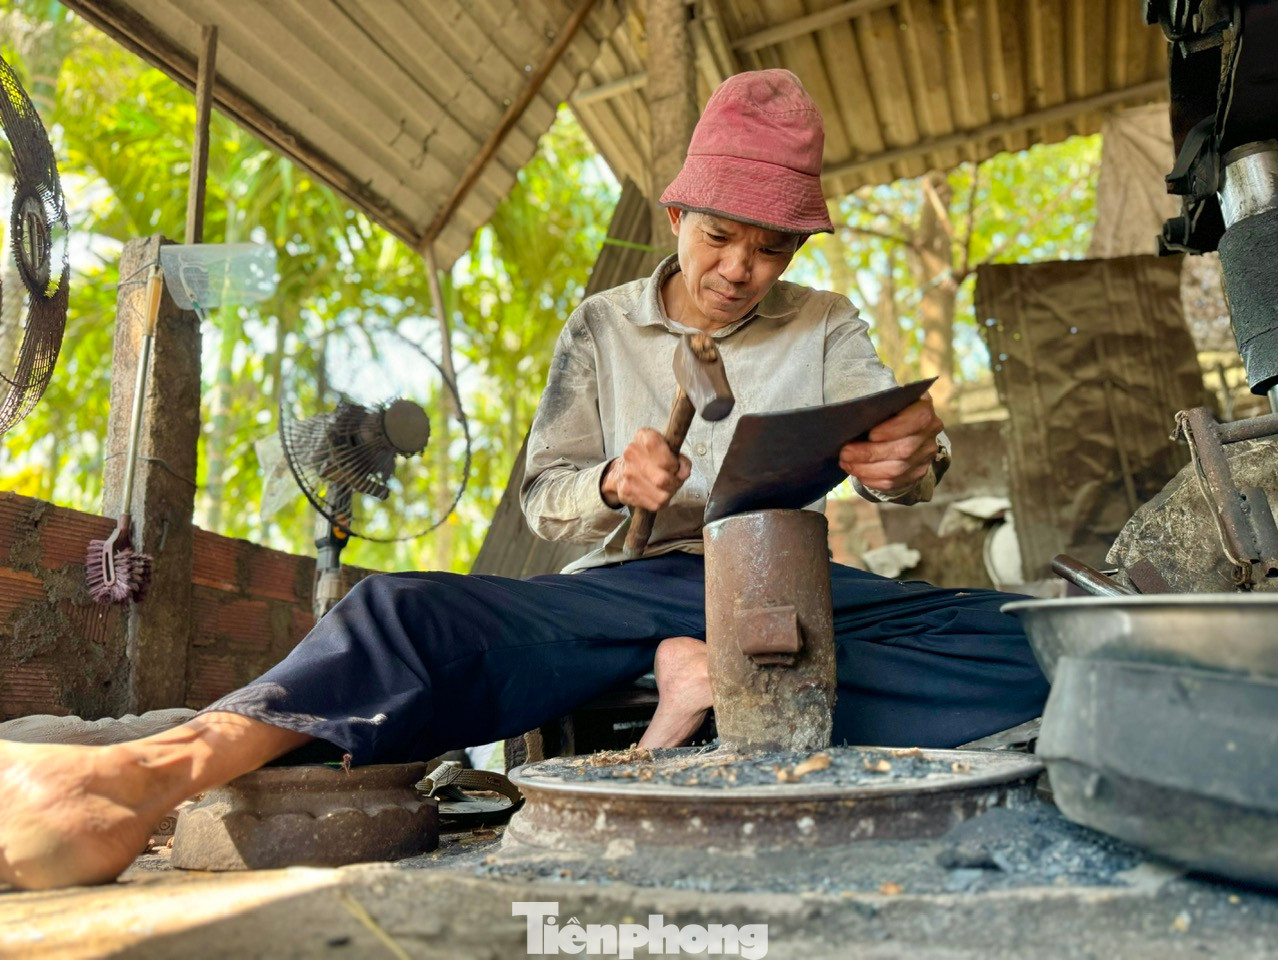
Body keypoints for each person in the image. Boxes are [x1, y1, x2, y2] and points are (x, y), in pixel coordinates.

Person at [0, 70, 1047, 891]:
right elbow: (543, 500)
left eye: (769, 252)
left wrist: (911, 458)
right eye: (720, 238)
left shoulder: (824, 322)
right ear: (679, 214)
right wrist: (608, 482)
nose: (739, 269)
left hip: (786, 586)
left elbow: (899, 451)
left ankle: (713, 679)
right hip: (623, 585)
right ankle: (139, 777)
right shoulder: (600, 326)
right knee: (412, 612)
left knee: (1030, 637)